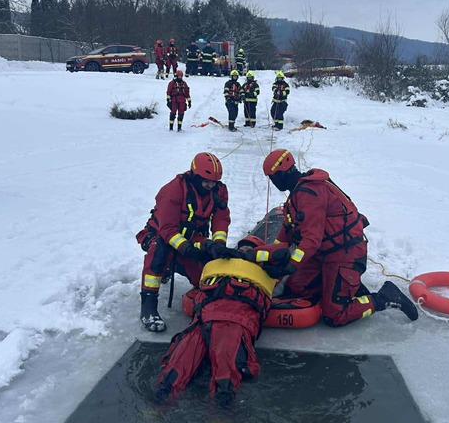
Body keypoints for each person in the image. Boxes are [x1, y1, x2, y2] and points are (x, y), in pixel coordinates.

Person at [259, 149, 417, 326]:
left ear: (284, 172)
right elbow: (284, 238)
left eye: (273, 178)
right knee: (295, 290)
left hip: (344, 254)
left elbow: (311, 240)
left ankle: (384, 297)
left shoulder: (310, 193)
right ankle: (345, 288)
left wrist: (290, 266)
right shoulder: (295, 197)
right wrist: (258, 254)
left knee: (334, 315)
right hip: (322, 255)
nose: (272, 183)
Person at [155, 236, 281, 406]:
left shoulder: (269, 270)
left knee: (226, 368)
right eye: (241, 247)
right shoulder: (219, 260)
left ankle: (220, 415)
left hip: (236, 315)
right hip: (204, 315)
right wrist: (210, 245)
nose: (243, 250)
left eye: (249, 247)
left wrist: (256, 255)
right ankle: (160, 401)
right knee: (180, 360)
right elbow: (196, 245)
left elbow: (282, 253)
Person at [134, 153, 231, 332]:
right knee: (159, 253)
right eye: (207, 181)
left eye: (214, 182)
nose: (211, 186)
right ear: (195, 175)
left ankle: (175, 266)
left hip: (193, 237)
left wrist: (217, 245)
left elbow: (221, 220)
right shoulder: (174, 190)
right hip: (161, 236)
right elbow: (167, 229)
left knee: (203, 273)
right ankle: (148, 306)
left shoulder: (218, 191)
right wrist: (184, 248)